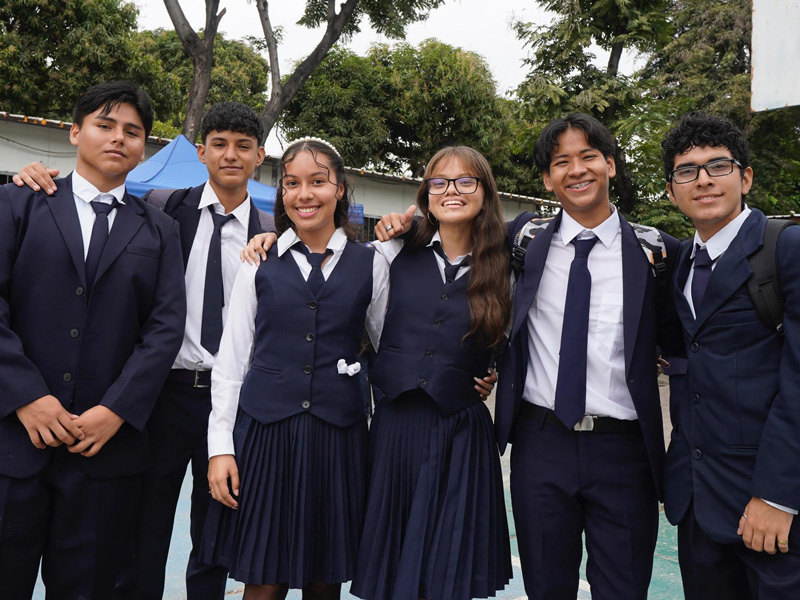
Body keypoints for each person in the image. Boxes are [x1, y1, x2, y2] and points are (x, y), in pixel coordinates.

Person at [15, 101, 275, 600]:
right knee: (142, 526)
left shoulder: (274, 231)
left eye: (243, 146)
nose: (230, 155)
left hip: (235, 402)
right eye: (218, 144)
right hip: (161, 395)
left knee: (216, 526)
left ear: (259, 155)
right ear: (200, 152)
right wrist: (33, 174)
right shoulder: (161, 209)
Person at [0, 81, 186, 599]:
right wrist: (27, 398)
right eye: (105, 125)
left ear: (143, 147)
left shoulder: (159, 230)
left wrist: (117, 410)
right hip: (15, 444)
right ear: (75, 131)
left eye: (133, 131)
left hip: (106, 452)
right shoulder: (18, 204)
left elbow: (165, 327)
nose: (118, 139)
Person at [494, 113, 683, 600]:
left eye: (588, 157)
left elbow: (684, 337)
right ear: (547, 178)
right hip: (540, 445)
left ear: (611, 166)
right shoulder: (524, 241)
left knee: (622, 588)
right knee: (545, 587)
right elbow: (452, 233)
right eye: (562, 162)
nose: (577, 170)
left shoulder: (657, 251)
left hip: (624, 451)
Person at [201, 138, 390, 600]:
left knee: (325, 581)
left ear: (340, 190)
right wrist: (220, 447)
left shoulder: (373, 263)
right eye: (292, 184)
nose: (304, 194)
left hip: (338, 435)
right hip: (266, 436)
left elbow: (391, 350)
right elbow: (231, 361)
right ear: (282, 194)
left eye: (317, 182)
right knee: (263, 581)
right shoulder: (258, 261)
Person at [347, 146, 512, 600]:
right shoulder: (392, 251)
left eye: (465, 181)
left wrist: (496, 369)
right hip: (396, 429)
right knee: (390, 565)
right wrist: (272, 239)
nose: (451, 191)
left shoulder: (507, 266)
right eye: (439, 181)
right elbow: (331, 271)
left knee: (448, 572)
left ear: (485, 191)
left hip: (460, 430)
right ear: (425, 193)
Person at [661, 112, 800, 599]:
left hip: (770, 509)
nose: (702, 179)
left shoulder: (785, 249)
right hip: (697, 503)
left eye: (717, 165)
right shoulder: (679, 262)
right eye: (686, 170)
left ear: (745, 177)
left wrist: (779, 496)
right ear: (673, 190)